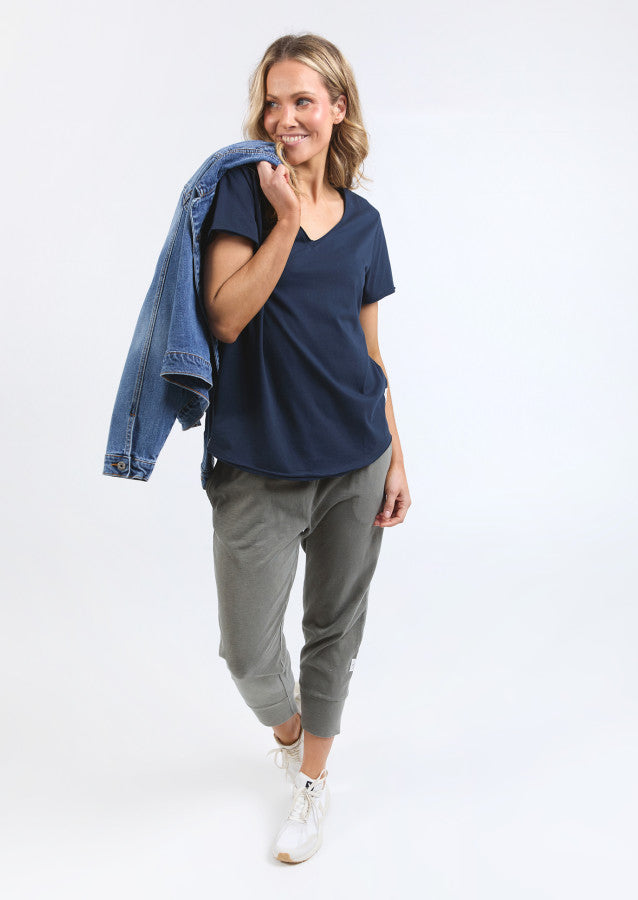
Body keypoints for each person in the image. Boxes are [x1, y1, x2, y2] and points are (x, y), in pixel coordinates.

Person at [201, 33, 411, 864]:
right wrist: (286, 221)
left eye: (301, 100)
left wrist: (397, 454)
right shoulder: (241, 195)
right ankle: (292, 732)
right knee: (247, 651)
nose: (283, 117)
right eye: (272, 101)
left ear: (336, 110)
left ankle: (313, 784)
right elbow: (226, 317)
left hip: (356, 458)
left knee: (334, 632)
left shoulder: (365, 225)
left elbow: (370, 350)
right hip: (258, 463)